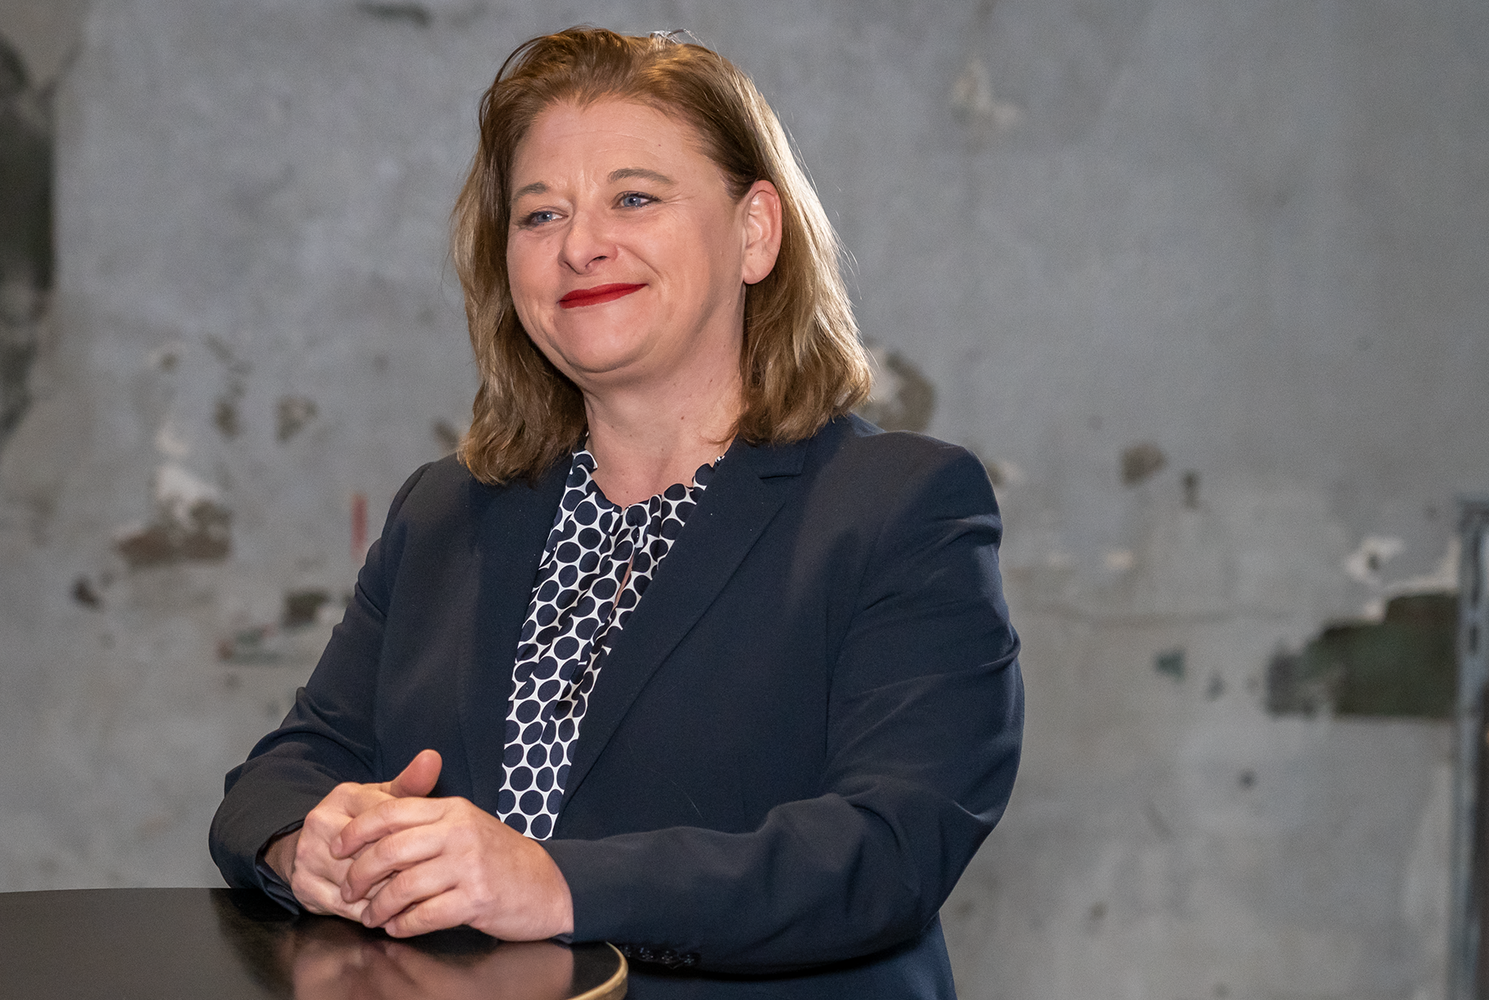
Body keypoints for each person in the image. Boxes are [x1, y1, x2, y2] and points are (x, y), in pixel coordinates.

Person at [210, 26, 1022, 999]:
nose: (579, 245)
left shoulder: (901, 508)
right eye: (539, 213)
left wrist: (549, 882)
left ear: (755, 233)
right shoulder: (444, 514)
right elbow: (287, 771)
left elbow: (889, 847)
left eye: (633, 198)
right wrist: (308, 840)